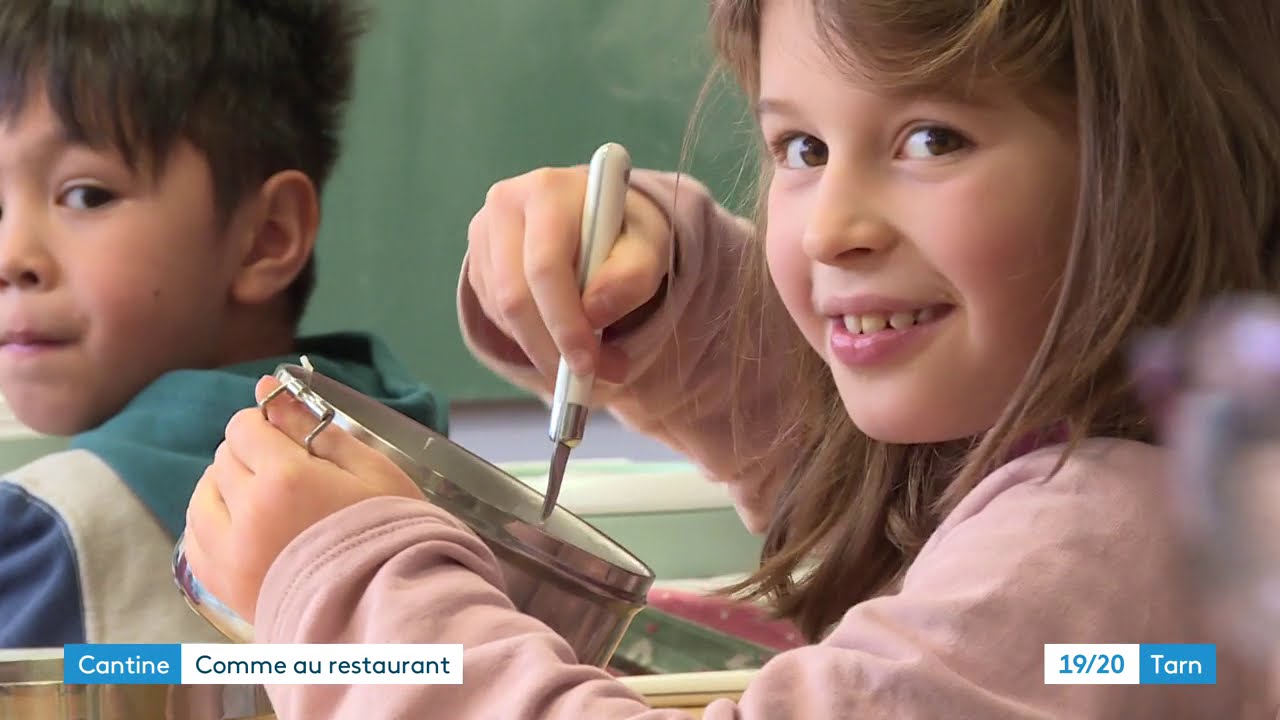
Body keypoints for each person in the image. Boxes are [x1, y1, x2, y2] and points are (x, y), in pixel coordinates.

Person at [185, 0, 1280, 716]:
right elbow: (846, 467)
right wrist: (665, 290)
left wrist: (354, 592)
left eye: (930, 139)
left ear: (1154, 162)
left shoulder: (1096, 541)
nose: (828, 226)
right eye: (800, 148)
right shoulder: (1118, 477)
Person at [0, 0, 445, 648]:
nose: (12, 259)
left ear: (265, 237)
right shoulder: (417, 463)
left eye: (87, 194)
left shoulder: (46, 537)